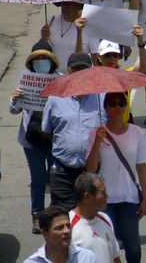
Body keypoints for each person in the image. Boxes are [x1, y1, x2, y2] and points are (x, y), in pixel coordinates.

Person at [84, 92, 146, 263]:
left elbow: (141, 167)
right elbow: (90, 170)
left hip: (129, 198)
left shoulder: (136, 132)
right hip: (104, 200)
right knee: (107, 247)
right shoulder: (96, 133)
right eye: (112, 103)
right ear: (105, 107)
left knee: (133, 248)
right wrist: (98, 142)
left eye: (121, 103)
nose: (117, 107)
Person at [43, 51, 106, 211]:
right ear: (68, 71)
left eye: (83, 70)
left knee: (89, 213)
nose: (79, 74)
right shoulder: (54, 99)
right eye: (75, 69)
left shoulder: (101, 98)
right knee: (65, 214)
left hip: (90, 170)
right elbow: (47, 131)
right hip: (62, 169)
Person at [12, 45, 62, 231]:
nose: (42, 63)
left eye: (45, 59)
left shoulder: (59, 80)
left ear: (52, 62)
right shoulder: (25, 82)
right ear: (32, 63)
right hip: (31, 140)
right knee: (38, 178)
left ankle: (56, 215)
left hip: (54, 138)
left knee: (56, 177)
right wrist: (15, 99)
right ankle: (38, 216)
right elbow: (14, 110)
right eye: (38, 60)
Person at [68, 173, 121, 263]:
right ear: (87, 197)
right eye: (102, 193)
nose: (107, 196)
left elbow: (115, 258)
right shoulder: (68, 226)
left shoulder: (105, 219)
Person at [24, 206, 101, 263]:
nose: (66, 231)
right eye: (59, 228)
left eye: (68, 226)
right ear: (45, 233)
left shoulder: (87, 258)